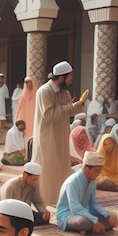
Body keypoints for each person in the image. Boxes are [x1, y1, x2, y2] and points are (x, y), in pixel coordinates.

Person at [32, 61, 89, 205]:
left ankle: (61, 200)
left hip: (61, 138)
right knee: (49, 171)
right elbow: (49, 116)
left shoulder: (65, 92)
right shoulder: (44, 91)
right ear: (62, 77)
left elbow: (68, 111)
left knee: (62, 169)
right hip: (47, 139)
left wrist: (80, 104)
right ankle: (44, 201)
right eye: (70, 77)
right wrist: (69, 106)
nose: (71, 80)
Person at [55, 151, 118, 234]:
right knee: (82, 222)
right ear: (86, 168)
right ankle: (93, 227)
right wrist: (95, 221)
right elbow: (75, 208)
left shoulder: (91, 181)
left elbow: (93, 204)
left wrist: (106, 214)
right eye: (97, 171)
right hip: (69, 215)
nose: (98, 174)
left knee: (113, 217)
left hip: (86, 212)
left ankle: (93, 228)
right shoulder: (72, 182)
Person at [15, 77, 38, 141]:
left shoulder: (37, 95)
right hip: (25, 119)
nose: (29, 84)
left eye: (30, 83)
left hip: (35, 118)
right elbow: (19, 109)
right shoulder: (23, 96)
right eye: (27, 83)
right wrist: (17, 119)